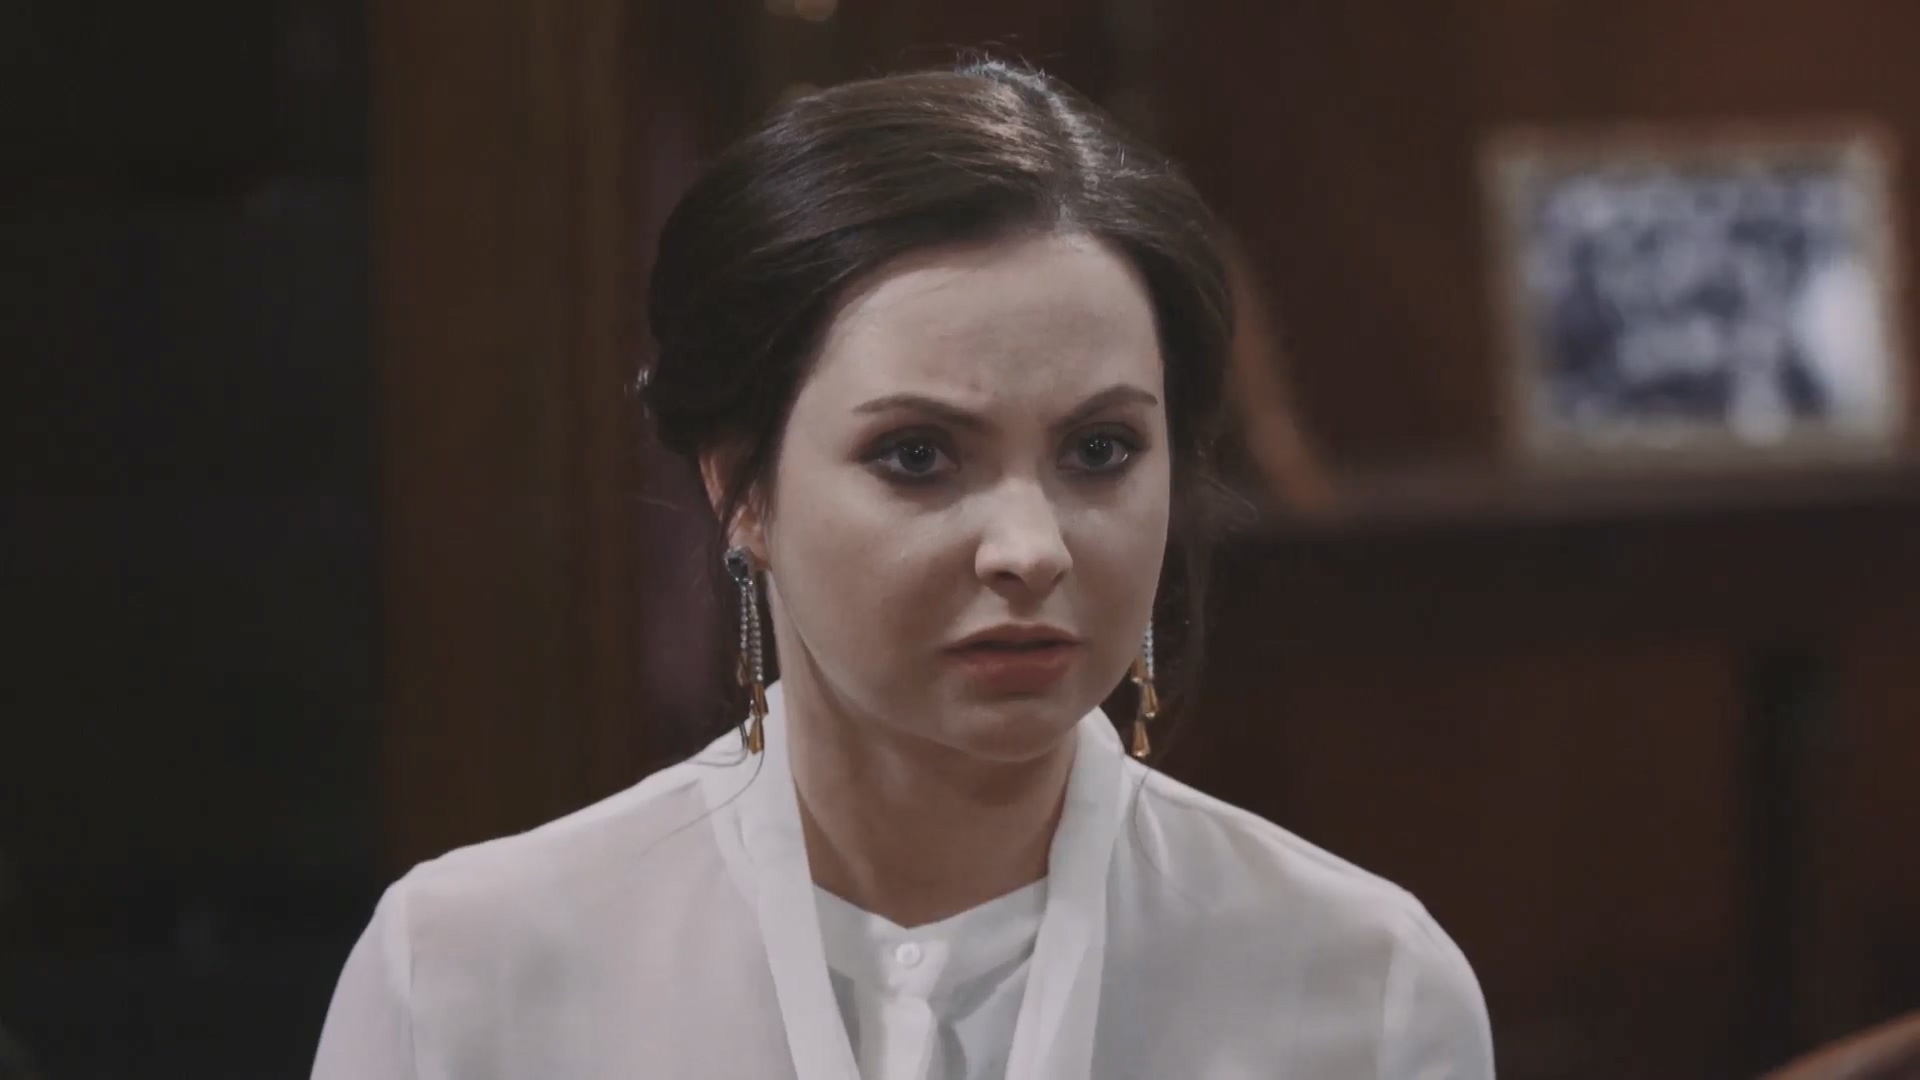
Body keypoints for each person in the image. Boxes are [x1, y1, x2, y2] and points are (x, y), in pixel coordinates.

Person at [311, 60, 1495, 1079]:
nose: (1031, 549)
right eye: (918, 456)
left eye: (1100, 451)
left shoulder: (1361, 990)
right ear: (740, 489)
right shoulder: (469, 975)